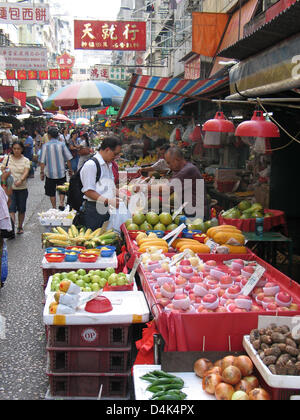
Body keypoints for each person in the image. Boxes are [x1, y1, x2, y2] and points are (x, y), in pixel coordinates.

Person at [79, 136, 122, 230]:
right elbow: (88, 191)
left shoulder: (108, 164)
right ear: (107, 150)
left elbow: (109, 187)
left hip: (106, 209)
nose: (116, 157)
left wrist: (121, 194)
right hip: (94, 210)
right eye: (115, 154)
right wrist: (108, 201)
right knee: (95, 239)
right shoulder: (91, 165)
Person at [39, 127, 73, 210]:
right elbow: (68, 158)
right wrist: (70, 170)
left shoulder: (45, 146)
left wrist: (42, 172)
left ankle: (54, 207)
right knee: (62, 188)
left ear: (49, 135)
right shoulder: (62, 145)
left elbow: (42, 161)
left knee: (51, 192)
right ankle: (61, 202)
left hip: (49, 173)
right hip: (61, 172)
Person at [1, 141, 31, 235]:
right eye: (14, 149)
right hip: (10, 188)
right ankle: (12, 229)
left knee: (22, 209)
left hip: (22, 188)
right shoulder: (7, 158)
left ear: (22, 149)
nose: (16, 150)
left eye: (18, 149)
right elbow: (2, 168)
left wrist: (21, 180)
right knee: (11, 209)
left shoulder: (25, 160)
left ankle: (20, 226)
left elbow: (26, 171)